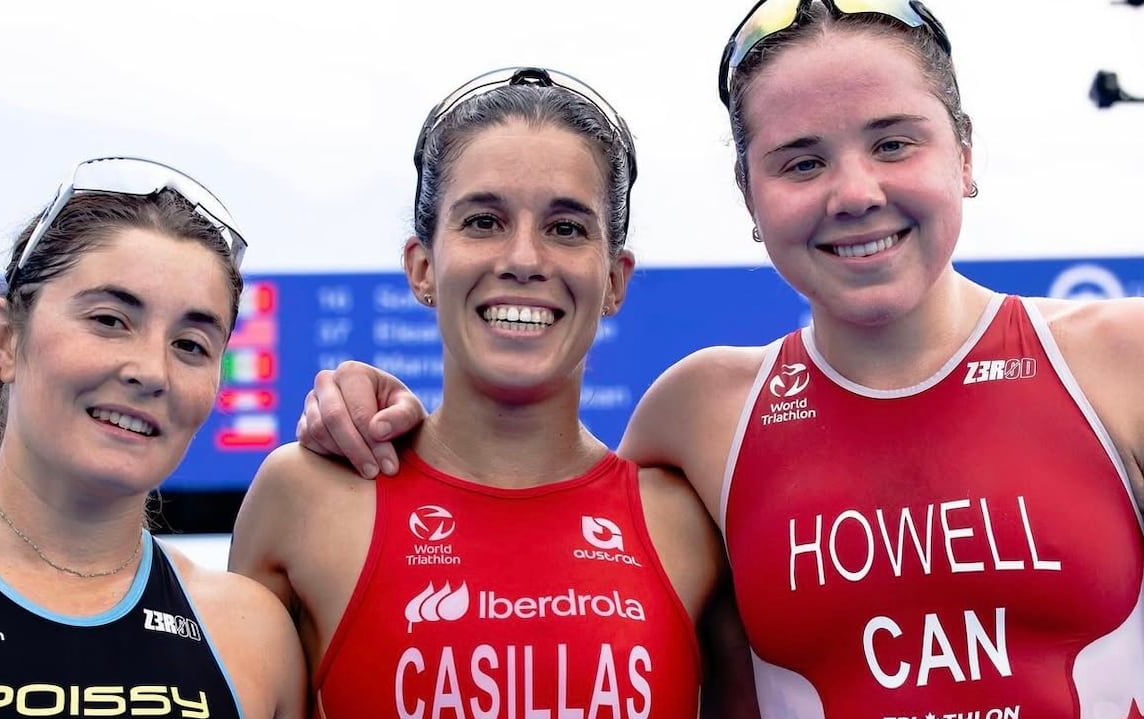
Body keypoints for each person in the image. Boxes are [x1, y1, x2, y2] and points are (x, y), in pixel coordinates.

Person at [295, 2, 1144, 716]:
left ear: (962, 153)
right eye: (801, 161)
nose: (854, 192)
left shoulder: (1119, 360)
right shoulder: (701, 415)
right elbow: (525, 517)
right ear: (749, 195)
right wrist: (369, 408)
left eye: (894, 143)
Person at [228, 67, 757, 718]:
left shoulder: (686, 523)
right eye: (483, 221)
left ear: (616, 280)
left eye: (566, 227)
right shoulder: (305, 498)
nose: (524, 258)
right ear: (422, 268)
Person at [0, 156, 306, 719]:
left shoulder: (250, 636)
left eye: (191, 344)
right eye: (109, 320)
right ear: (5, 340)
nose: (151, 371)